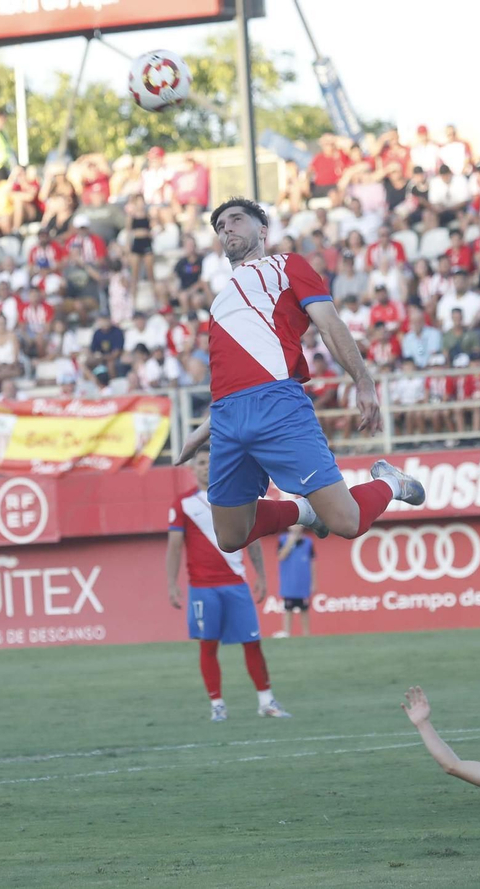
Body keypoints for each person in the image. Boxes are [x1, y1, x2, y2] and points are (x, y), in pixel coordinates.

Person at [176, 197, 425, 554]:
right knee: (230, 537)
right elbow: (232, 374)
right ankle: (304, 511)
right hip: (228, 417)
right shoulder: (218, 301)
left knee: (347, 522)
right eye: (219, 226)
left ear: (263, 229)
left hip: (278, 406)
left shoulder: (287, 265)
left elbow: (329, 323)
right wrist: (201, 432)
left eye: (235, 219)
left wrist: (363, 381)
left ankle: (391, 482)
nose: (226, 227)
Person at [166, 447, 289, 721]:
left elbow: (252, 536)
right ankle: (217, 705)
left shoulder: (235, 497)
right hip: (202, 588)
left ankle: (266, 702)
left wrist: (261, 575)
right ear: (192, 468)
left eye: (210, 462)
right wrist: (172, 584)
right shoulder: (182, 504)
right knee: (208, 646)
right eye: (200, 463)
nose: (206, 467)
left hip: (237, 584)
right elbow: (174, 547)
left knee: (253, 643)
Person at [274, 525, 313, 638]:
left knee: (304, 609)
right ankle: (286, 632)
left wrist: (313, 582)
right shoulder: (282, 540)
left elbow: (313, 562)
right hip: (289, 581)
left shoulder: (308, 542)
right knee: (288, 609)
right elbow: (281, 556)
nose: (296, 527)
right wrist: (290, 542)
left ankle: (306, 634)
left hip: (303, 581)